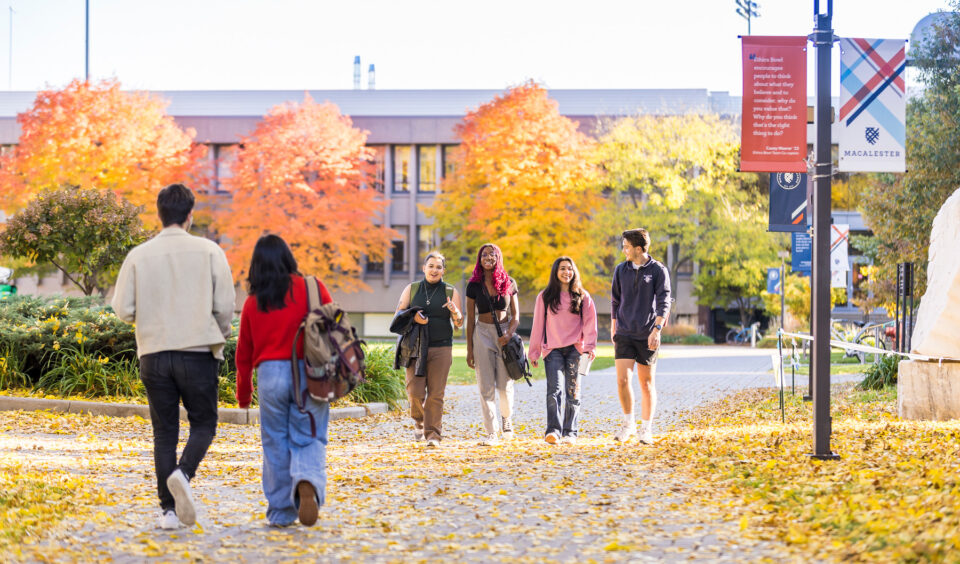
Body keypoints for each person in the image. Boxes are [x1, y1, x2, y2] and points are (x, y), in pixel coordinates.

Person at [112, 183, 236, 530]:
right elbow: (225, 306)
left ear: (159, 214)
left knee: (164, 433)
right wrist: (219, 336)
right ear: (190, 215)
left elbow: (123, 308)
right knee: (204, 424)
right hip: (197, 351)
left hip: (153, 352)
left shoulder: (138, 255)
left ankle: (168, 512)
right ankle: (183, 473)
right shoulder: (209, 251)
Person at [234, 234, 333, 528]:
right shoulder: (312, 288)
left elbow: (243, 353)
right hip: (309, 371)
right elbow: (332, 325)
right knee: (310, 434)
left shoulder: (254, 303)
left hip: (270, 375)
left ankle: (280, 511)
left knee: (274, 442)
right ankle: (307, 480)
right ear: (289, 258)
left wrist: (243, 394)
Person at [391, 251, 464, 448]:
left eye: (438, 267)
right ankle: (420, 421)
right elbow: (399, 313)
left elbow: (459, 323)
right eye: (431, 266)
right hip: (414, 347)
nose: (434, 270)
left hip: (441, 347)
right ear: (424, 268)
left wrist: (454, 312)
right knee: (414, 392)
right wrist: (413, 317)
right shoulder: (412, 289)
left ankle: (433, 435)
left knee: (436, 393)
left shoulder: (450, 291)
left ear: (443, 271)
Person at [528, 257, 598, 445]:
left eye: (570, 269)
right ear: (555, 272)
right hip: (553, 350)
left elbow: (590, 324)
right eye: (562, 269)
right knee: (554, 391)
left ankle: (570, 432)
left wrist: (589, 348)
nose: (566, 272)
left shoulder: (583, 296)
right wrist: (534, 351)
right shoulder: (545, 296)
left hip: (576, 349)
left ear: (574, 272)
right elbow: (537, 325)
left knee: (573, 392)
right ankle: (553, 431)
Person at [610, 228, 671, 445]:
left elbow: (664, 301)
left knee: (646, 383)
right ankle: (628, 424)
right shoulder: (620, 270)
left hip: (648, 334)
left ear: (638, 248)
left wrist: (657, 330)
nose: (623, 250)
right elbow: (615, 301)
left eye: (626, 246)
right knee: (622, 380)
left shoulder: (658, 270)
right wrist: (614, 326)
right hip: (625, 332)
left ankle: (645, 429)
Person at [465, 243, 520, 446]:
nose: (488, 257)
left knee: (505, 386)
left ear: (498, 258)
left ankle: (506, 418)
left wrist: (509, 334)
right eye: (484, 254)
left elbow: (516, 316)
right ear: (480, 259)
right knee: (485, 387)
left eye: (492, 254)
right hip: (482, 334)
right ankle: (491, 432)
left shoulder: (509, 282)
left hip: (504, 334)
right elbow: (470, 319)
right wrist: (470, 349)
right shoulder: (473, 285)